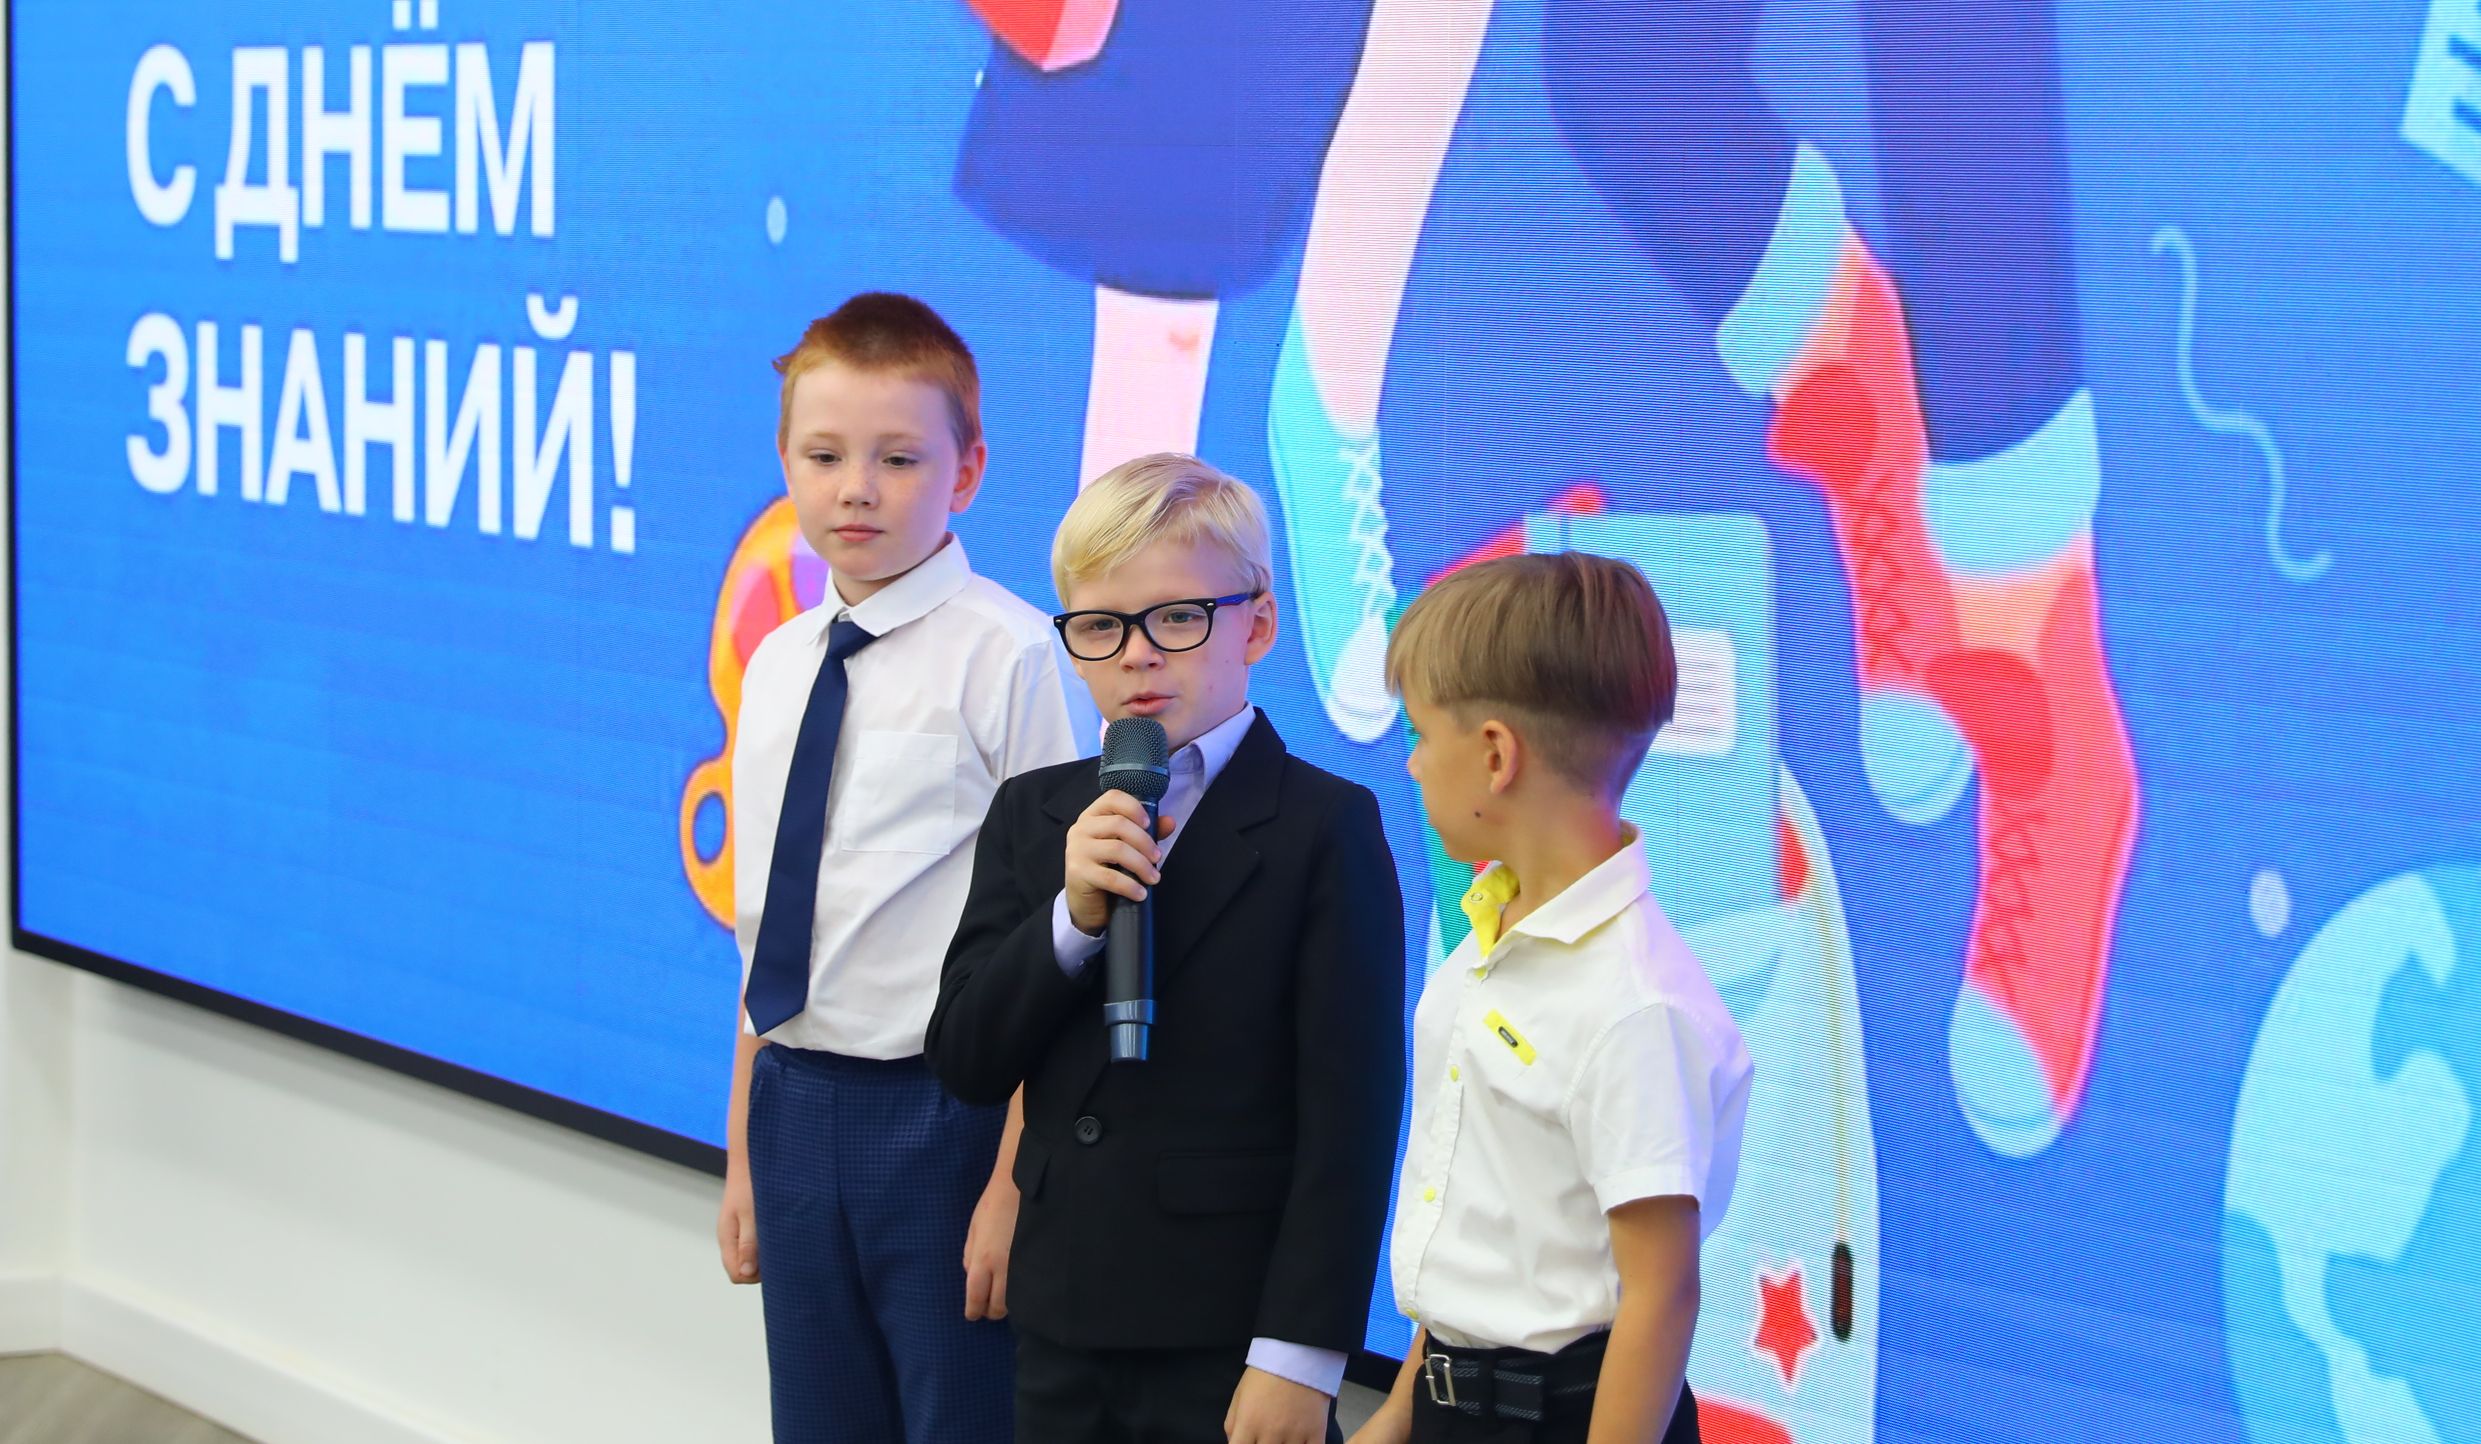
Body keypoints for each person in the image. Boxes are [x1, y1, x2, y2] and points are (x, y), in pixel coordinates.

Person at [927, 453, 1405, 1444]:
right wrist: (1071, 920)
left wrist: (1300, 1355)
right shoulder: (1035, 813)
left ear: (1256, 625)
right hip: (1061, 1316)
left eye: (1177, 618)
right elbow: (966, 1056)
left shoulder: (1323, 825)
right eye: (1101, 626)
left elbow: (1349, 1121)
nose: (1138, 655)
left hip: (1226, 1333)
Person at [718, 292, 1078, 1442]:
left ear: (967, 472)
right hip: (794, 1106)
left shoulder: (1012, 657)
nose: (856, 489)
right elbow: (767, 923)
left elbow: (1062, 947)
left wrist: (1012, 1183)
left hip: (947, 1119)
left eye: (899, 458)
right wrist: (744, 1151)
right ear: (785, 459)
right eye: (824, 456)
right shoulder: (779, 662)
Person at [1353, 552, 1752, 1444]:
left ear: (1495, 754)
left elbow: (1660, 1293)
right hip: (1451, 1404)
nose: (1411, 764)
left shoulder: (1635, 1004)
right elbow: (1475, 1214)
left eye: (1422, 734)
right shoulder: (1488, 936)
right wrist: (1403, 1408)